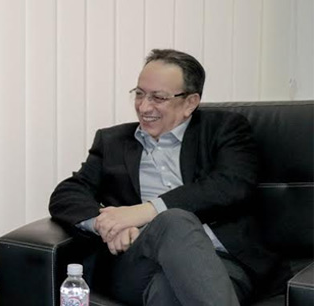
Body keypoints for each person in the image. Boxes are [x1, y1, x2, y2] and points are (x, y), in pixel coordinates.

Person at [49, 49, 288, 306]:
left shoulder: (223, 129)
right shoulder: (113, 142)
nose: (144, 107)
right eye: (139, 94)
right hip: (138, 262)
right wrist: (107, 223)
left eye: (158, 97)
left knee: (166, 290)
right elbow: (67, 193)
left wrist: (145, 211)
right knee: (173, 221)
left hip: (222, 262)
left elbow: (231, 185)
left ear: (190, 103)